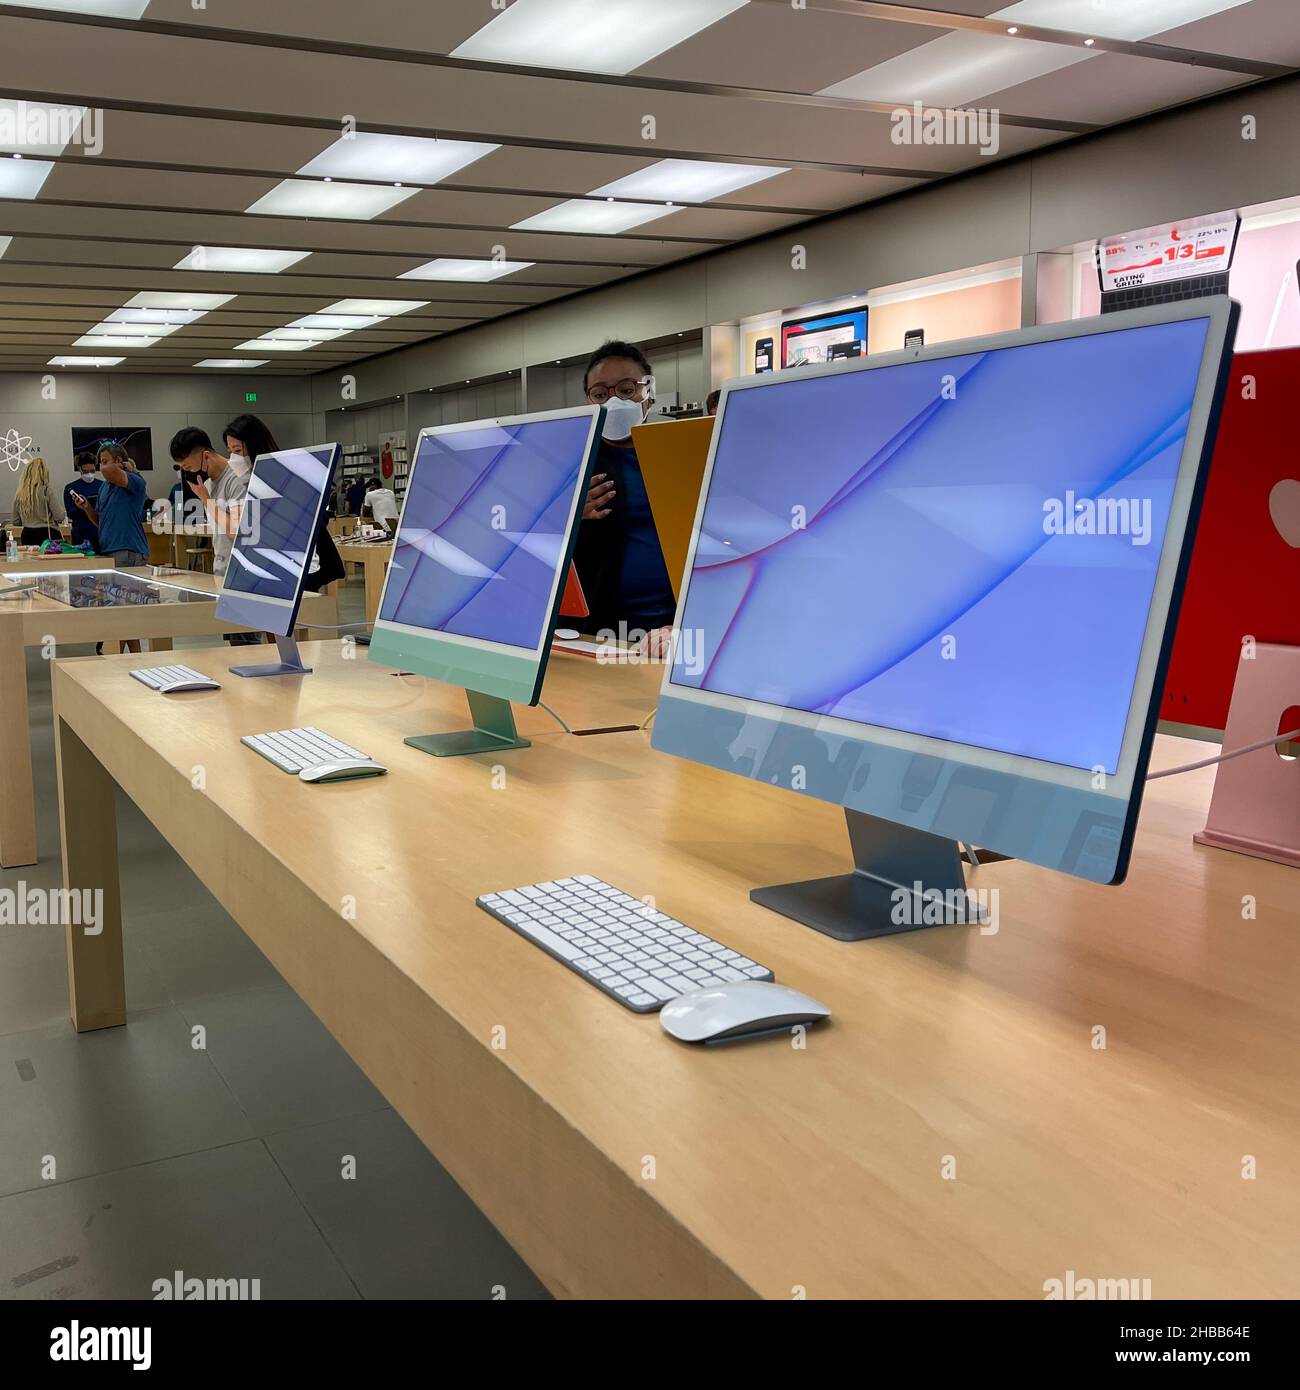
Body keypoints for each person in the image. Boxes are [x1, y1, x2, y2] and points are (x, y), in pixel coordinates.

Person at [572, 339, 675, 655]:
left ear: (648, 391)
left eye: (627, 390)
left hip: (674, 629)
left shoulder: (678, 453)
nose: (614, 401)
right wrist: (570, 516)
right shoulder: (572, 462)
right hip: (598, 633)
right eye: (601, 394)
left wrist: (691, 619)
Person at [222, 414, 345, 594]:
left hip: (297, 568)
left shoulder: (287, 475)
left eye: (238, 451)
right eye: (230, 451)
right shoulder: (247, 481)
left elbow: (313, 516)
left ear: (254, 445)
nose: (233, 458)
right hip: (269, 568)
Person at [169, 426, 258, 646]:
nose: (187, 472)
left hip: (242, 575)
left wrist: (206, 500)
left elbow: (238, 530)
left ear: (205, 456)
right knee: (235, 641)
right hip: (224, 572)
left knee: (246, 642)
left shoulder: (237, 480)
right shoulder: (211, 484)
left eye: (188, 466)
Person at [69, 443, 150, 653]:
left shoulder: (135, 481)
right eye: (99, 463)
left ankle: (113, 655)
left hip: (129, 550)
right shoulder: (104, 488)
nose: (99, 468)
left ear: (119, 462)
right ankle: (133, 657)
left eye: (104, 461)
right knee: (122, 611)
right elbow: (101, 521)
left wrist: (121, 465)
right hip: (109, 551)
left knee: (122, 611)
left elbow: (111, 471)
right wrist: (87, 507)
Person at [13, 455, 66, 545]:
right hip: (48, 534)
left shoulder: (20, 493)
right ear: (44, 472)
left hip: (27, 534)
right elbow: (60, 516)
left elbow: (15, 521)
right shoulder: (47, 490)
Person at [65, 452, 100, 549]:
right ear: (79, 469)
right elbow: (70, 514)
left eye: (92, 471)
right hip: (80, 535)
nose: (89, 474)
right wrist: (81, 506)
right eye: (85, 471)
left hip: (99, 534)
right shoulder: (71, 488)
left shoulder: (102, 486)